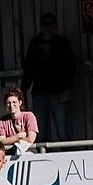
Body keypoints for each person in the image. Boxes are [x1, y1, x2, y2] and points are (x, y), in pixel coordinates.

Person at [21, 13, 75, 142]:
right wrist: (22, 90)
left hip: (59, 92)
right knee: (40, 130)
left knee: (63, 129)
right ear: (41, 26)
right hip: (39, 92)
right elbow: (29, 67)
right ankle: (42, 157)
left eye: (50, 24)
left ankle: (68, 157)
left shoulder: (62, 42)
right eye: (45, 24)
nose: (48, 27)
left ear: (55, 26)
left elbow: (70, 66)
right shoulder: (35, 43)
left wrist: (67, 89)